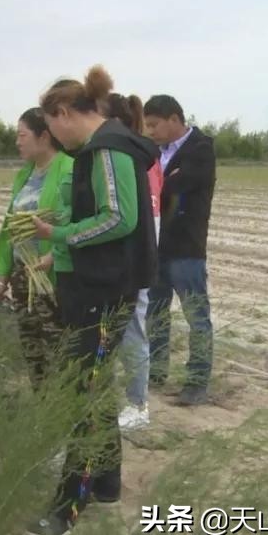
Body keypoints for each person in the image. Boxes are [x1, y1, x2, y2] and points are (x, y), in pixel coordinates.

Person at [24, 65, 159, 535]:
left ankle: (69, 506)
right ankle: (105, 483)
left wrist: (61, 234)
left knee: (82, 392)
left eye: (50, 126)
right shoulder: (101, 148)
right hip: (97, 285)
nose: (53, 138)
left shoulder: (107, 149)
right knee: (94, 388)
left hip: (105, 290)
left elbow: (119, 218)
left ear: (64, 114)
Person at [0, 107, 73, 389]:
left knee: (57, 348)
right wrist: (3, 278)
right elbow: (10, 229)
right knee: (32, 348)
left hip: (52, 276)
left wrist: (54, 255)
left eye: (22, 135)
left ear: (44, 136)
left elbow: (76, 223)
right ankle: (42, 403)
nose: (17, 142)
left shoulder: (69, 169)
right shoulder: (25, 175)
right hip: (24, 275)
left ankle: (62, 406)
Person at [143, 95, 217, 406]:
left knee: (197, 317)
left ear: (174, 119)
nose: (150, 131)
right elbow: (153, 189)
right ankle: (155, 373)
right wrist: (163, 184)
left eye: (154, 125)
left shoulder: (200, 150)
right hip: (156, 247)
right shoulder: (153, 152)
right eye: (147, 126)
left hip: (186, 248)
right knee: (155, 315)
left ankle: (197, 383)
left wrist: (161, 185)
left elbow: (171, 188)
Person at [103, 93, 163, 430]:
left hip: (135, 252)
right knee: (123, 328)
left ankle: (138, 405)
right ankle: (128, 400)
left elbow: (145, 214)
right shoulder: (137, 151)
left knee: (133, 327)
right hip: (136, 249)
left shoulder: (130, 156)